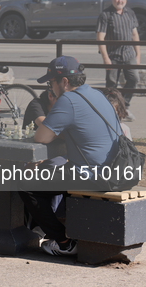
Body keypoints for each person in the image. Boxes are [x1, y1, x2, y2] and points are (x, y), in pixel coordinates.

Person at [19, 56, 121, 256]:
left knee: (26, 183)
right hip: (114, 170)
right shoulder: (97, 94)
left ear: (64, 82)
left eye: (51, 83)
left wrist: (61, 131)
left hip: (91, 174)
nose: (50, 88)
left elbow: (41, 137)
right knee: (52, 176)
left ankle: (64, 242)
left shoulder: (68, 99)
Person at [96, 0, 140, 122]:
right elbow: (100, 37)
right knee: (111, 84)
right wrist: (105, 57)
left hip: (128, 54)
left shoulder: (130, 13)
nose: (119, 1)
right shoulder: (105, 15)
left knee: (134, 79)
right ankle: (110, 111)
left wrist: (138, 54)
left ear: (125, 0)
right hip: (112, 54)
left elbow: (134, 34)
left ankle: (124, 107)